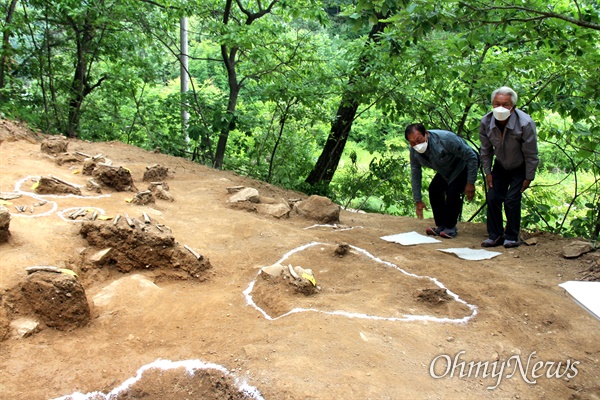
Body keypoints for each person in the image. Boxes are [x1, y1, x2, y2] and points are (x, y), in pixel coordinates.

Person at [479, 86, 539, 248]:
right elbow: (485, 150)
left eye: (505, 104)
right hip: (500, 165)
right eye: (496, 103)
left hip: (520, 165)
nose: (500, 108)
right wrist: (488, 172)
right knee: (492, 197)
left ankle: (512, 236)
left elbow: (531, 153)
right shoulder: (486, 121)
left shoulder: (525, 123)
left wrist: (529, 176)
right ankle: (495, 235)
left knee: (512, 200)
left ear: (513, 107)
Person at [405, 123, 479, 238]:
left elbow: (471, 157)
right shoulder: (414, 150)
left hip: (463, 164)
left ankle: (450, 228)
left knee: (453, 191)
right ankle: (441, 226)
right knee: (434, 189)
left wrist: (470, 182)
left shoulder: (446, 139)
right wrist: (418, 200)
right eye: (412, 142)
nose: (417, 145)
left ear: (426, 134)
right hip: (446, 170)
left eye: (419, 140)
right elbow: (415, 172)